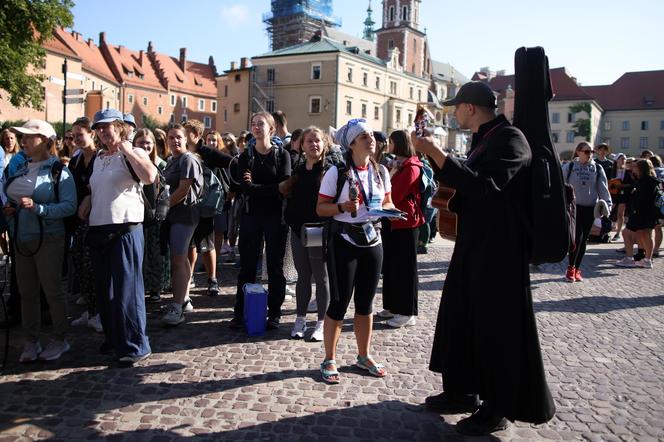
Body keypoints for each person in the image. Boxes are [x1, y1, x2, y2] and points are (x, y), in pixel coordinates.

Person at [412, 81, 555, 435]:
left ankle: (498, 407)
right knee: (460, 319)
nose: (454, 112)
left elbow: (485, 187)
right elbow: (470, 190)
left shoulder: (510, 139)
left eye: (456, 107)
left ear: (471, 108)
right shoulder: (485, 139)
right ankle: (462, 391)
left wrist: (437, 155)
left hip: (500, 254)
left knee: (495, 329)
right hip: (474, 246)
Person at [316, 118, 395, 384]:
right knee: (339, 303)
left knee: (366, 303)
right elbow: (320, 208)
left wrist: (391, 211)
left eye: (372, 135)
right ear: (351, 144)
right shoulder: (336, 172)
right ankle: (329, 358)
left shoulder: (381, 171)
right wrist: (342, 208)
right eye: (364, 136)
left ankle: (363, 355)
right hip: (344, 242)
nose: (371, 139)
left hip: (373, 240)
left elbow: (386, 200)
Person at [81, 108, 157, 365]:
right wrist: (88, 200)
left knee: (128, 289)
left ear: (120, 127)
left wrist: (125, 149)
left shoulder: (135, 151)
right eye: (98, 128)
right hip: (99, 228)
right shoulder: (99, 157)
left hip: (126, 228)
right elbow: (99, 187)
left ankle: (136, 345)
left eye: (107, 126)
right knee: (106, 291)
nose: (102, 132)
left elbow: (149, 176)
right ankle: (115, 339)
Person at [4, 120, 77, 362]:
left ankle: (60, 339)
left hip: (49, 238)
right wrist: (12, 209)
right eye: (22, 136)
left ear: (45, 140)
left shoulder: (59, 170)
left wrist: (40, 209)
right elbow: (13, 194)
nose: (23, 140)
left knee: (52, 291)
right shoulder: (21, 167)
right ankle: (31, 341)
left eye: (29, 136)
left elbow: (69, 206)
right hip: (22, 237)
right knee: (27, 293)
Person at [230, 112, 291, 330]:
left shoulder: (282, 155)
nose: (256, 127)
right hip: (251, 217)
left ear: (271, 128)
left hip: (275, 218)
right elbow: (246, 188)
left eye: (261, 124)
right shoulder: (246, 156)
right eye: (253, 124)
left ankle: (274, 313)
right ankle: (240, 311)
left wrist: (260, 188)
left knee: (275, 268)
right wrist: (273, 188)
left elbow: (285, 188)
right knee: (247, 267)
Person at [281, 126, 331, 341]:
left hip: (318, 229)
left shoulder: (330, 170)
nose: (314, 144)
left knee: (321, 277)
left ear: (324, 144)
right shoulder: (299, 169)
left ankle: (321, 322)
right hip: (298, 230)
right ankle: (300, 318)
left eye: (317, 140)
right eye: (309, 141)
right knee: (302, 278)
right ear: (301, 146)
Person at [377, 130, 424, 328]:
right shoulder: (397, 163)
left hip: (406, 222)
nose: (388, 144)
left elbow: (395, 193)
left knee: (405, 269)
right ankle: (392, 305)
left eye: (391, 141)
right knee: (391, 266)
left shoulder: (411, 166)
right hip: (392, 220)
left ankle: (407, 311)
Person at [160, 124, 204, 325]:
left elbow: (183, 189)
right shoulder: (172, 160)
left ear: (186, 139)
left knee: (177, 260)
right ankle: (183, 299)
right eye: (171, 138)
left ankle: (177, 307)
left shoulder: (187, 159)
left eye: (178, 137)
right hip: (175, 215)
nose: (175, 141)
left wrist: (163, 207)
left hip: (184, 214)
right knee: (182, 258)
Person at [184, 120, 232, 296]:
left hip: (204, 206)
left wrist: (236, 187)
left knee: (206, 243)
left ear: (196, 135)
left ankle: (212, 279)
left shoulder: (207, 152)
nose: (182, 136)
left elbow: (231, 162)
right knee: (189, 245)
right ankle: (189, 278)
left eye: (186, 133)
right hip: (185, 206)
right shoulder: (181, 151)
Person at [68, 117, 102, 332]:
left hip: (98, 219)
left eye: (80, 134)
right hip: (79, 220)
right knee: (80, 264)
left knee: (93, 267)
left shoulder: (101, 158)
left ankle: (99, 312)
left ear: (92, 134)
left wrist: (90, 197)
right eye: (73, 136)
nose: (76, 139)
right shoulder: (76, 159)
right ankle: (90, 310)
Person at [562, 142, 612, 282]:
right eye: (586, 151)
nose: (589, 154)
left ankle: (577, 269)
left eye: (591, 152)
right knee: (576, 238)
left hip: (590, 208)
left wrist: (607, 204)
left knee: (584, 240)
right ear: (578, 152)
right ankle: (570, 268)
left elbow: (603, 187)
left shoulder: (597, 167)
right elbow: (560, 185)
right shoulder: (570, 167)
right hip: (574, 207)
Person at [133, 128, 170, 304]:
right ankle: (141, 286)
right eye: (141, 142)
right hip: (135, 215)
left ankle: (155, 288)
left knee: (155, 253)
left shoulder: (161, 164)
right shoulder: (129, 162)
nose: (145, 146)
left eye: (148, 143)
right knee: (140, 254)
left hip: (155, 215)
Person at [615, 159, 660, 269]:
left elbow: (642, 199)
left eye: (635, 166)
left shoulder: (645, 181)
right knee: (645, 236)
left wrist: (635, 207)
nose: (632, 168)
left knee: (626, 233)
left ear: (640, 169)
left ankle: (630, 258)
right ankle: (647, 260)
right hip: (648, 213)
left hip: (641, 213)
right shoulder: (648, 180)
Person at [610, 153, 634, 242]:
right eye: (621, 159)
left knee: (620, 214)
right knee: (608, 213)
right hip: (612, 195)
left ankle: (617, 233)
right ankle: (606, 230)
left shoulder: (628, 172)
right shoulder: (611, 170)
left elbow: (632, 184)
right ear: (617, 160)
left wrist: (622, 186)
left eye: (624, 159)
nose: (623, 160)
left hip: (623, 195)